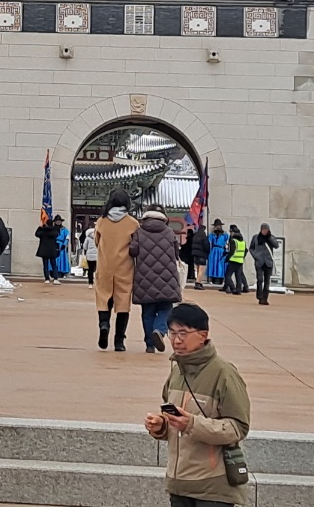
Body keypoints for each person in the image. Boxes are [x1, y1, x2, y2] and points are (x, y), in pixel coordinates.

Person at [143, 302, 252, 507]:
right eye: (172, 333)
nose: (176, 340)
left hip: (213, 488)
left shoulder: (224, 373)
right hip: (179, 484)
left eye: (183, 333)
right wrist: (161, 425)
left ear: (203, 335)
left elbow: (238, 428)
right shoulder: (177, 371)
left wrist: (192, 424)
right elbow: (173, 420)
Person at [130, 209, 183, 353]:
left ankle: (150, 345)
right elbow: (176, 253)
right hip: (167, 277)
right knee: (166, 308)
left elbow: (133, 251)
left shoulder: (139, 232)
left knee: (148, 313)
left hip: (145, 278)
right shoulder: (169, 232)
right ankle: (159, 329)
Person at [94, 189, 139, 351]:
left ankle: (104, 324)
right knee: (123, 303)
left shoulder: (101, 221)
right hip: (124, 267)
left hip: (105, 266)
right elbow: (136, 246)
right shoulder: (133, 223)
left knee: (103, 299)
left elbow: (96, 241)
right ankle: (119, 341)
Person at [249, 223, 279, 306]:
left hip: (268, 262)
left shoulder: (271, 237)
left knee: (267, 281)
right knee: (260, 279)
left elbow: (276, 246)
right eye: (263, 230)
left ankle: (264, 298)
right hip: (259, 262)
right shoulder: (256, 237)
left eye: (266, 230)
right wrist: (255, 256)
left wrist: (269, 238)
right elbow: (251, 248)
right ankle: (259, 295)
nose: (265, 231)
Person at [35, 215, 61, 283]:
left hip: (44, 250)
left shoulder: (43, 231)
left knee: (45, 265)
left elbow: (36, 234)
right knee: (54, 264)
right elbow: (58, 232)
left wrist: (40, 227)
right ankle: (55, 278)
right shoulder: (54, 231)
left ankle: (47, 279)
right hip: (52, 250)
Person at [223, 226, 248, 296]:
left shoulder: (233, 241)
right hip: (240, 261)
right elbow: (246, 250)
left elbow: (232, 251)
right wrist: (242, 257)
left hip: (233, 260)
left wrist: (227, 258)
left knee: (227, 275)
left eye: (231, 232)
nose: (230, 233)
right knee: (238, 276)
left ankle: (233, 288)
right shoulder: (243, 242)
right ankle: (238, 290)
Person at [206, 220, 229, 287]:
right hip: (214, 250)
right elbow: (209, 242)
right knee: (213, 264)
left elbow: (227, 243)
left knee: (221, 265)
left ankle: (221, 278)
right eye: (217, 225)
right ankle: (213, 278)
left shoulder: (225, 235)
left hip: (221, 250)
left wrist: (226, 251)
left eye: (219, 225)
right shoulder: (212, 235)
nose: (218, 227)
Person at [189, 224, 210, 290]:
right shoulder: (204, 237)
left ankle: (199, 282)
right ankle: (197, 283)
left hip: (195, 255)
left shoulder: (195, 237)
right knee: (201, 270)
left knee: (198, 269)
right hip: (202, 255)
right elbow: (207, 246)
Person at [53, 216, 71, 280]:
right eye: (57, 221)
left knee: (62, 257)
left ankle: (62, 271)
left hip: (61, 245)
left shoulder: (65, 230)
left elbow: (67, 238)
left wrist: (64, 244)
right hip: (53, 244)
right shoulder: (52, 229)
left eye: (59, 221)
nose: (58, 222)